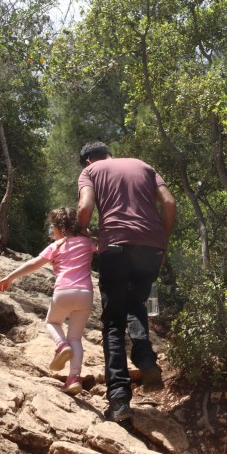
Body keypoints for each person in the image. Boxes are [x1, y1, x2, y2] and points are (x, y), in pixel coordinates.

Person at [77, 141, 176, 424]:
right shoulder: (144, 166)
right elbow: (169, 204)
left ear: (88, 160)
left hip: (116, 247)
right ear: (109, 153)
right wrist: (161, 242)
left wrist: (83, 232)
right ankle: (145, 359)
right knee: (137, 305)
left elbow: (85, 206)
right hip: (151, 248)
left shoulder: (90, 172)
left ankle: (119, 400)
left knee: (113, 323)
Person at [0, 207, 95, 395]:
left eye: (52, 227)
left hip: (63, 292)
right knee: (76, 338)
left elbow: (33, 263)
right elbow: (99, 245)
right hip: (85, 294)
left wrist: (10, 277)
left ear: (58, 227)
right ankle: (74, 378)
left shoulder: (56, 246)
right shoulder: (86, 242)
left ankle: (61, 345)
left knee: (52, 322)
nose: (51, 231)